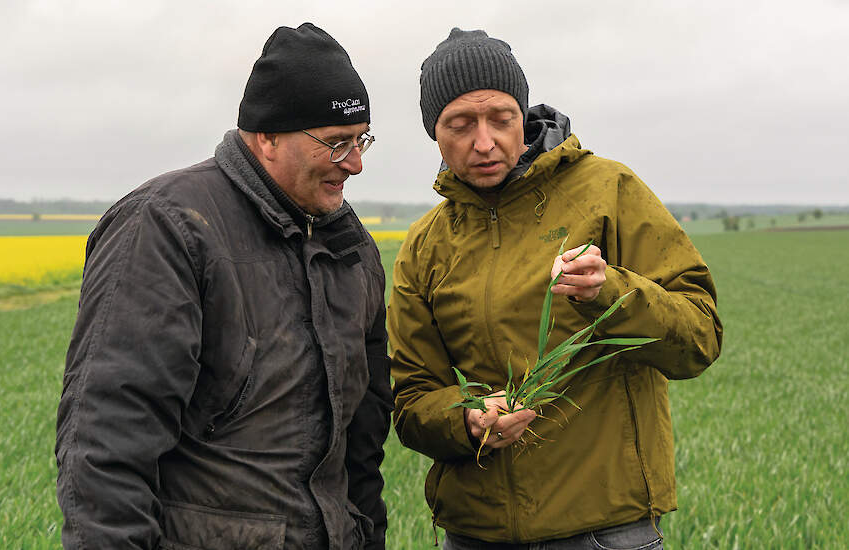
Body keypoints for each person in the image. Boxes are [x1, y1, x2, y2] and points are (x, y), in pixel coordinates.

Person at [55, 23, 392, 550]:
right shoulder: (168, 227)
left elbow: (362, 447)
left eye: (361, 139)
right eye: (336, 143)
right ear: (267, 137)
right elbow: (108, 441)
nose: (356, 162)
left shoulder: (351, 251)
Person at [388, 28, 723, 549]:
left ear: (524, 115)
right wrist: (469, 419)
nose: (484, 142)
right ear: (435, 132)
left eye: (501, 119)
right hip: (476, 535)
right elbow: (411, 402)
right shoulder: (426, 244)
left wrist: (609, 292)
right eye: (460, 124)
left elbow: (699, 337)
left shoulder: (608, 190)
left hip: (604, 533)